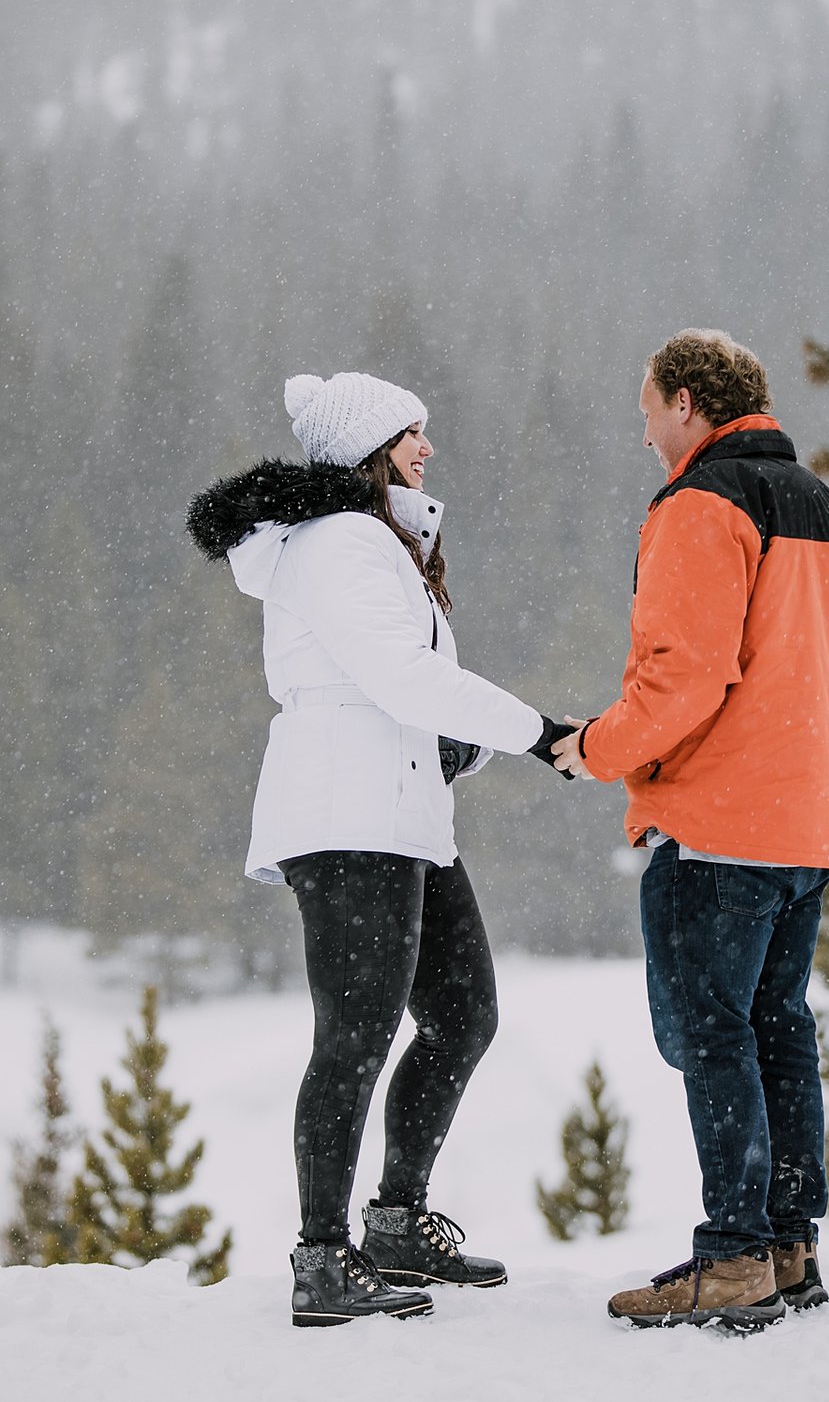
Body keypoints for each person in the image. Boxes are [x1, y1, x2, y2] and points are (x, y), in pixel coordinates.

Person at [187, 371, 570, 1326]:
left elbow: (404, 692)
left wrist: (461, 738)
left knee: (462, 1013)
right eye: (412, 433)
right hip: (347, 815)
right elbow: (399, 678)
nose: (427, 448)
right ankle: (322, 1258)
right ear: (369, 448)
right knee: (354, 1037)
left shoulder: (372, 541)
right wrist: (537, 730)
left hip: (402, 815)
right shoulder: (344, 540)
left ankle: (394, 1220)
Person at [551, 329, 829, 1332]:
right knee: (778, 1029)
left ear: (686, 402)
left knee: (708, 1034)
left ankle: (732, 1256)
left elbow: (682, 674)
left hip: (719, 825)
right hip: (808, 822)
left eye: (648, 409)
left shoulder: (702, 500)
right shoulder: (825, 507)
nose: (644, 432)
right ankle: (787, 1244)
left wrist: (597, 750)